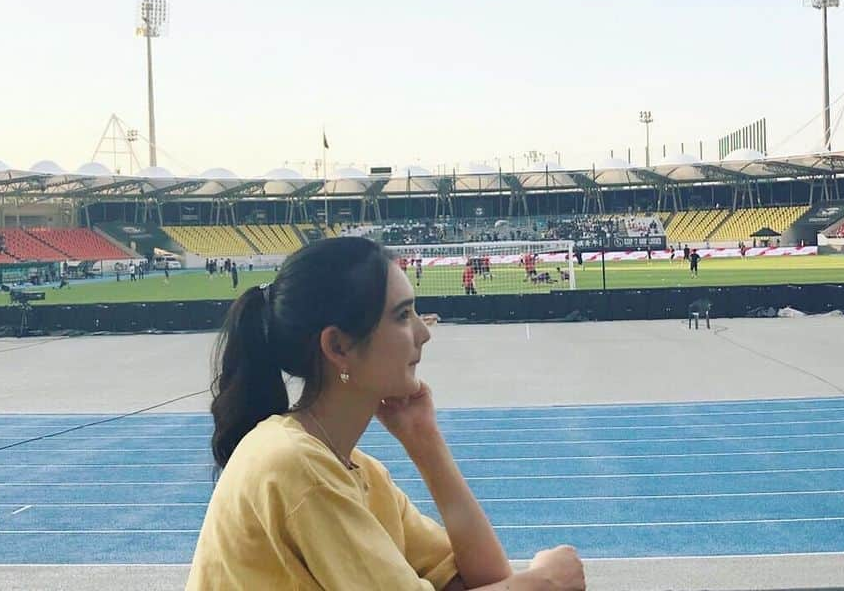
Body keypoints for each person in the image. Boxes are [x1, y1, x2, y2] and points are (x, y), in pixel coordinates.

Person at [187, 237, 584, 590]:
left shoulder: (356, 472)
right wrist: (546, 581)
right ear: (338, 347)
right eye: (402, 315)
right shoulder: (296, 466)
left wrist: (424, 440)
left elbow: (488, 579)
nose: (423, 333)